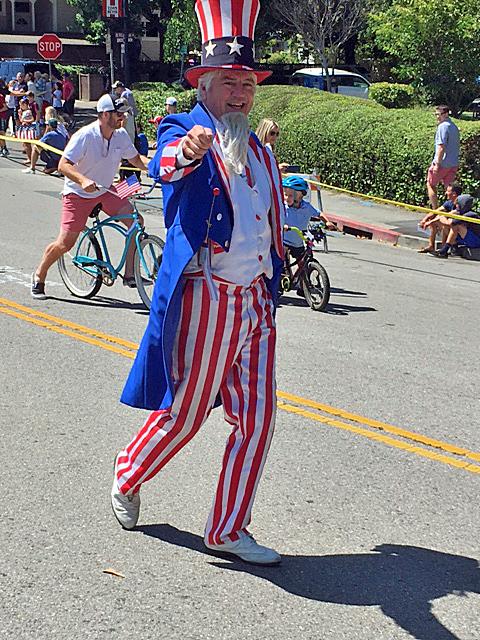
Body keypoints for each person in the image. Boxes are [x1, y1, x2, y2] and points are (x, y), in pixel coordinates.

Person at [112, 0, 285, 566]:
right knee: (186, 413)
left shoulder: (257, 146)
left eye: (248, 83)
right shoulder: (185, 126)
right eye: (230, 82)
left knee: (258, 418)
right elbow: (166, 162)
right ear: (206, 84)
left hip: (256, 299)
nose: (241, 92)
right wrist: (185, 154)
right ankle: (129, 470)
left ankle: (228, 528)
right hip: (209, 295)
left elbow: (263, 211)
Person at [31, 94, 148, 299]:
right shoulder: (85, 135)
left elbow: (137, 160)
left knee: (136, 221)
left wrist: (160, 169)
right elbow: (63, 165)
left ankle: (130, 274)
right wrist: (83, 180)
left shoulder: (120, 135)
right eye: (118, 113)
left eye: (123, 113)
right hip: (78, 193)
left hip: (106, 189)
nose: (122, 117)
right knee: (65, 243)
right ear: (104, 114)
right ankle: (39, 274)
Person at [282, 175, 336, 261]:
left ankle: (305, 272)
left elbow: (319, 214)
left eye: (291, 195)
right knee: (281, 261)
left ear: (300, 196)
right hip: (284, 241)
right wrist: (282, 226)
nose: (287, 198)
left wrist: (327, 222)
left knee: (303, 261)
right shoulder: (283, 207)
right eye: (285, 195)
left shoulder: (306, 207)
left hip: (298, 243)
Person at [426, 106, 460, 209]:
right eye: (436, 114)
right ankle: (456, 210)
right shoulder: (454, 126)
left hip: (443, 163)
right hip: (453, 163)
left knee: (430, 184)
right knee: (450, 189)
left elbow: (441, 147)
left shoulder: (443, 126)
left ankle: (435, 212)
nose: (437, 117)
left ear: (445, 114)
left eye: (438, 114)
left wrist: (437, 164)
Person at [418, 182, 462, 254]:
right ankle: (431, 246)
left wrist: (430, 222)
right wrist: (424, 220)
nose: (445, 193)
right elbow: (436, 211)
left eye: (448, 191)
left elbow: (447, 216)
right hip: (450, 227)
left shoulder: (460, 204)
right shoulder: (449, 202)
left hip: (458, 232)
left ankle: (444, 247)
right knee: (435, 218)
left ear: (454, 194)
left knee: (443, 222)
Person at [16, 97, 37, 163]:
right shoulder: (23, 111)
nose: (20, 106)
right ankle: (29, 158)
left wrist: (25, 120)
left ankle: (30, 158)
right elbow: (20, 120)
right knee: (25, 144)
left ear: (25, 104)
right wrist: (20, 115)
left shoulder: (28, 111)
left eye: (21, 105)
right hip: (24, 128)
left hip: (28, 128)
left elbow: (32, 119)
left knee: (27, 144)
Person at [0, 89, 9, 156]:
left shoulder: (0, 96)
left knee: (1, 133)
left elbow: (5, 107)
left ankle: (4, 149)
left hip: (1, 117)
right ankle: (2, 148)